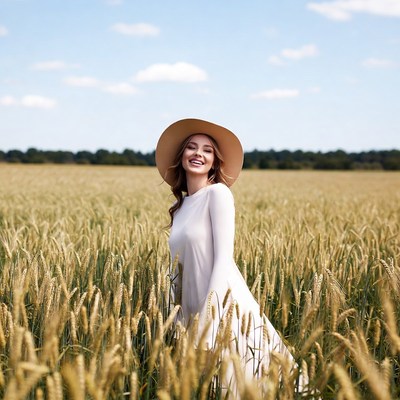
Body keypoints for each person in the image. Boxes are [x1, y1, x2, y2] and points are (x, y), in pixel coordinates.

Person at [156, 118, 305, 397]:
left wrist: (210, 320)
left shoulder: (218, 194)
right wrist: (173, 315)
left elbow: (224, 258)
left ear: (214, 162)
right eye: (191, 147)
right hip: (190, 310)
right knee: (208, 388)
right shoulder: (180, 207)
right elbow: (177, 268)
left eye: (207, 150)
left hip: (224, 309)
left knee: (240, 384)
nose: (198, 154)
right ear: (182, 156)